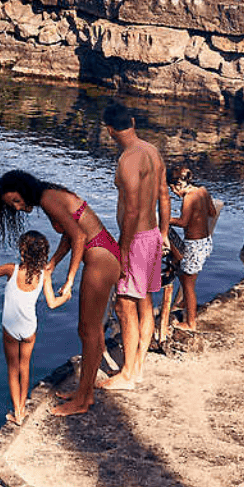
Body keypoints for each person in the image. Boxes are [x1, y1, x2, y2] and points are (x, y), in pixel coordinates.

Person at [0, 170, 122, 416]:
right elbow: (70, 233)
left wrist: (70, 278)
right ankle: (85, 393)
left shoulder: (47, 198)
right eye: (13, 206)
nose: (19, 209)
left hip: (99, 256)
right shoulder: (49, 195)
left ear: (26, 189)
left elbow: (80, 236)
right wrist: (53, 262)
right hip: (102, 252)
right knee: (88, 331)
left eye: (18, 201)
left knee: (89, 331)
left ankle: (83, 401)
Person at [98, 102, 170, 390]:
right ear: (133, 121)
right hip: (152, 235)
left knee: (124, 303)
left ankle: (127, 374)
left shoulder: (128, 159)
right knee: (145, 302)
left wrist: (124, 249)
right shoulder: (153, 151)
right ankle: (137, 367)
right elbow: (164, 196)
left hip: (136, 240)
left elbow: (130, 210)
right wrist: (163, 233)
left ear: (110, 130)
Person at [0, 229, 69, 424]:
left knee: (12, 369)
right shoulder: (44, 274)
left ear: (22, 252)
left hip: (10, 328)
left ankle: (17, 412)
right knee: (25, 367)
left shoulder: (12, 269)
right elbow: (52, 303)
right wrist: (66, 297)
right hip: (29, 328)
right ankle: (23, 410)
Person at [163, 165, 218, 331]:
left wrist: (166, 218)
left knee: (188, 286)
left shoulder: (189, 197)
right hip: (204, 242)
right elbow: (212, 212)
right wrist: (198, 217)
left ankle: (190, 323)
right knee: (184, 276)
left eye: (173, 190)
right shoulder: (203, 191)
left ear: (178, 185)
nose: (174, 194)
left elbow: (183, 222)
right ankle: (186, 301)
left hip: (194, 245)